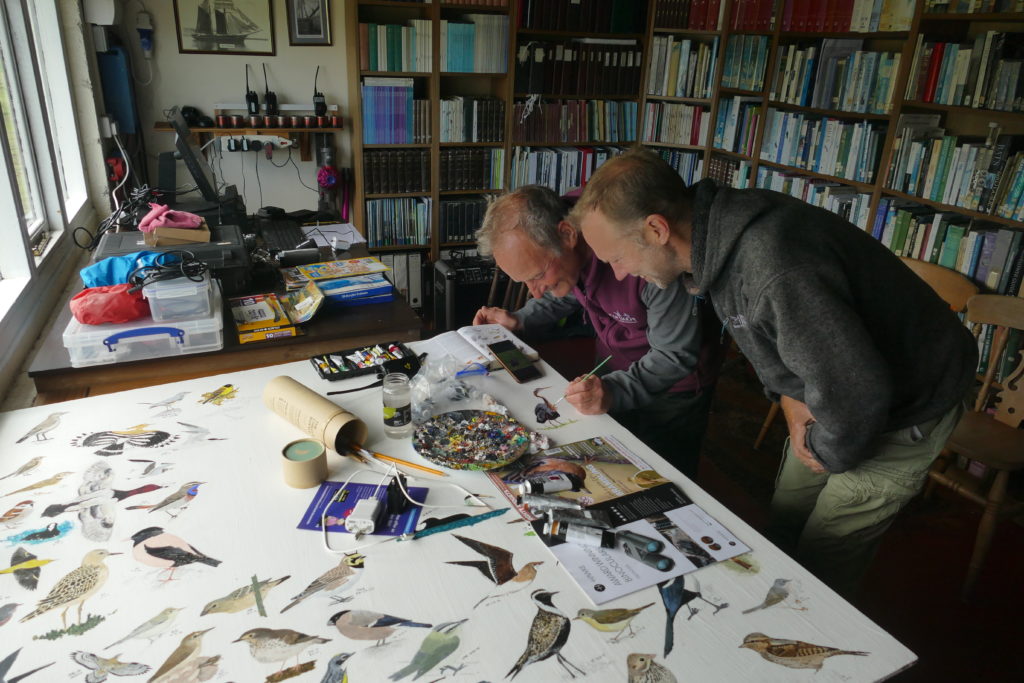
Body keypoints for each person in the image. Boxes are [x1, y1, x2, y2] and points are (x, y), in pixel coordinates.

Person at [571, 149, 977, 597]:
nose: (618, 272)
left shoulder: (773, 265)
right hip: (836, 381)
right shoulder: (715, 237)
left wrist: (825, 451)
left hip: (906, 401)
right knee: (784, 522)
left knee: (825, 559)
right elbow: (775, 339)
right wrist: (789, 395)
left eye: (616, 258)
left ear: (656, 229)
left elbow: (857, 394)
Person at [473, 185, 723, 478]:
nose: (536, 294)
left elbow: (674, 355)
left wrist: (615, 391)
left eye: (539, 276)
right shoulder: (564, 245)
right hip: (612, 369)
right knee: (606, 470)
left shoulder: (642, 250)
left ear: (568, 235)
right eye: (525, 281)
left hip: (673, 387)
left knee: (661, 481)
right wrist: (520, 319)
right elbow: (568, 288)